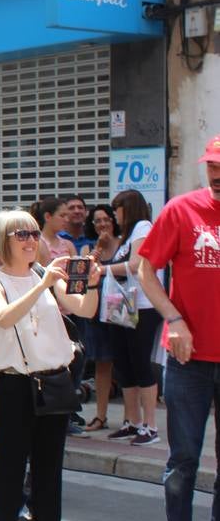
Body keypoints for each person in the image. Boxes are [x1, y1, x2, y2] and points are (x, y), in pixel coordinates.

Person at [0, 210, 100, 521]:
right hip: (15, 383)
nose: (31, 240)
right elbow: (3, 317)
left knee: (49, 470)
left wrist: (91, 282)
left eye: (34, 233)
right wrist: (42, 283)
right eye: (21, 235)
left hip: (53, 381)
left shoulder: (45, 277)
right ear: (4, 241)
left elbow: (85, 308)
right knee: (10, 468)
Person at [135, 134, 220, 521]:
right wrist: (173, 318)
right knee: (184, 458)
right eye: (212, 166)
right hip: (188, 357)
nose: (217, 174)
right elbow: (146, 269)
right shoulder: (182, 210)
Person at [101, 189, 165, 445]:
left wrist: (101, 270)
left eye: (117, 209)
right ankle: (132, 420)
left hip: (142, 305)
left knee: (140, 364)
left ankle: (150, 425)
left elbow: (138, 264)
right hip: (121, 305)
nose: (115, 215)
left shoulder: (143, 227)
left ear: (128, 208)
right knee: (124, 365)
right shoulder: (125, 237)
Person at [82, 204, 121, 431]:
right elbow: (84, 274)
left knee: (126, 366)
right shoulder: (89, 247)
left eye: (106, 219)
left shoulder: (123, 245)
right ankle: (101, 415)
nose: (103, 224)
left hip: (121, 313)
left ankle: (132, 419)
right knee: (102, 365)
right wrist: (98, 249)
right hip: (96, 313)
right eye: (98, 221)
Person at [33, 195, 74, 265]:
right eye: (62, 215)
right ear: (47, 216)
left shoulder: (68, 245)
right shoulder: (36, 244)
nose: (66, 220)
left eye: (67, 216)